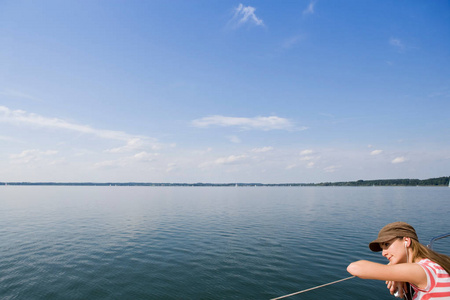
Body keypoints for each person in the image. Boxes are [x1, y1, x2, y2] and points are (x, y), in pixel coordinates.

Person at [347, 222, 450, 299]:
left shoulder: (421, 270)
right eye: (382, 248)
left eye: (387, 244)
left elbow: (355, 268)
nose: (383, 253)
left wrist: (392, 271)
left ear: (406, 241)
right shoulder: (432, 264)